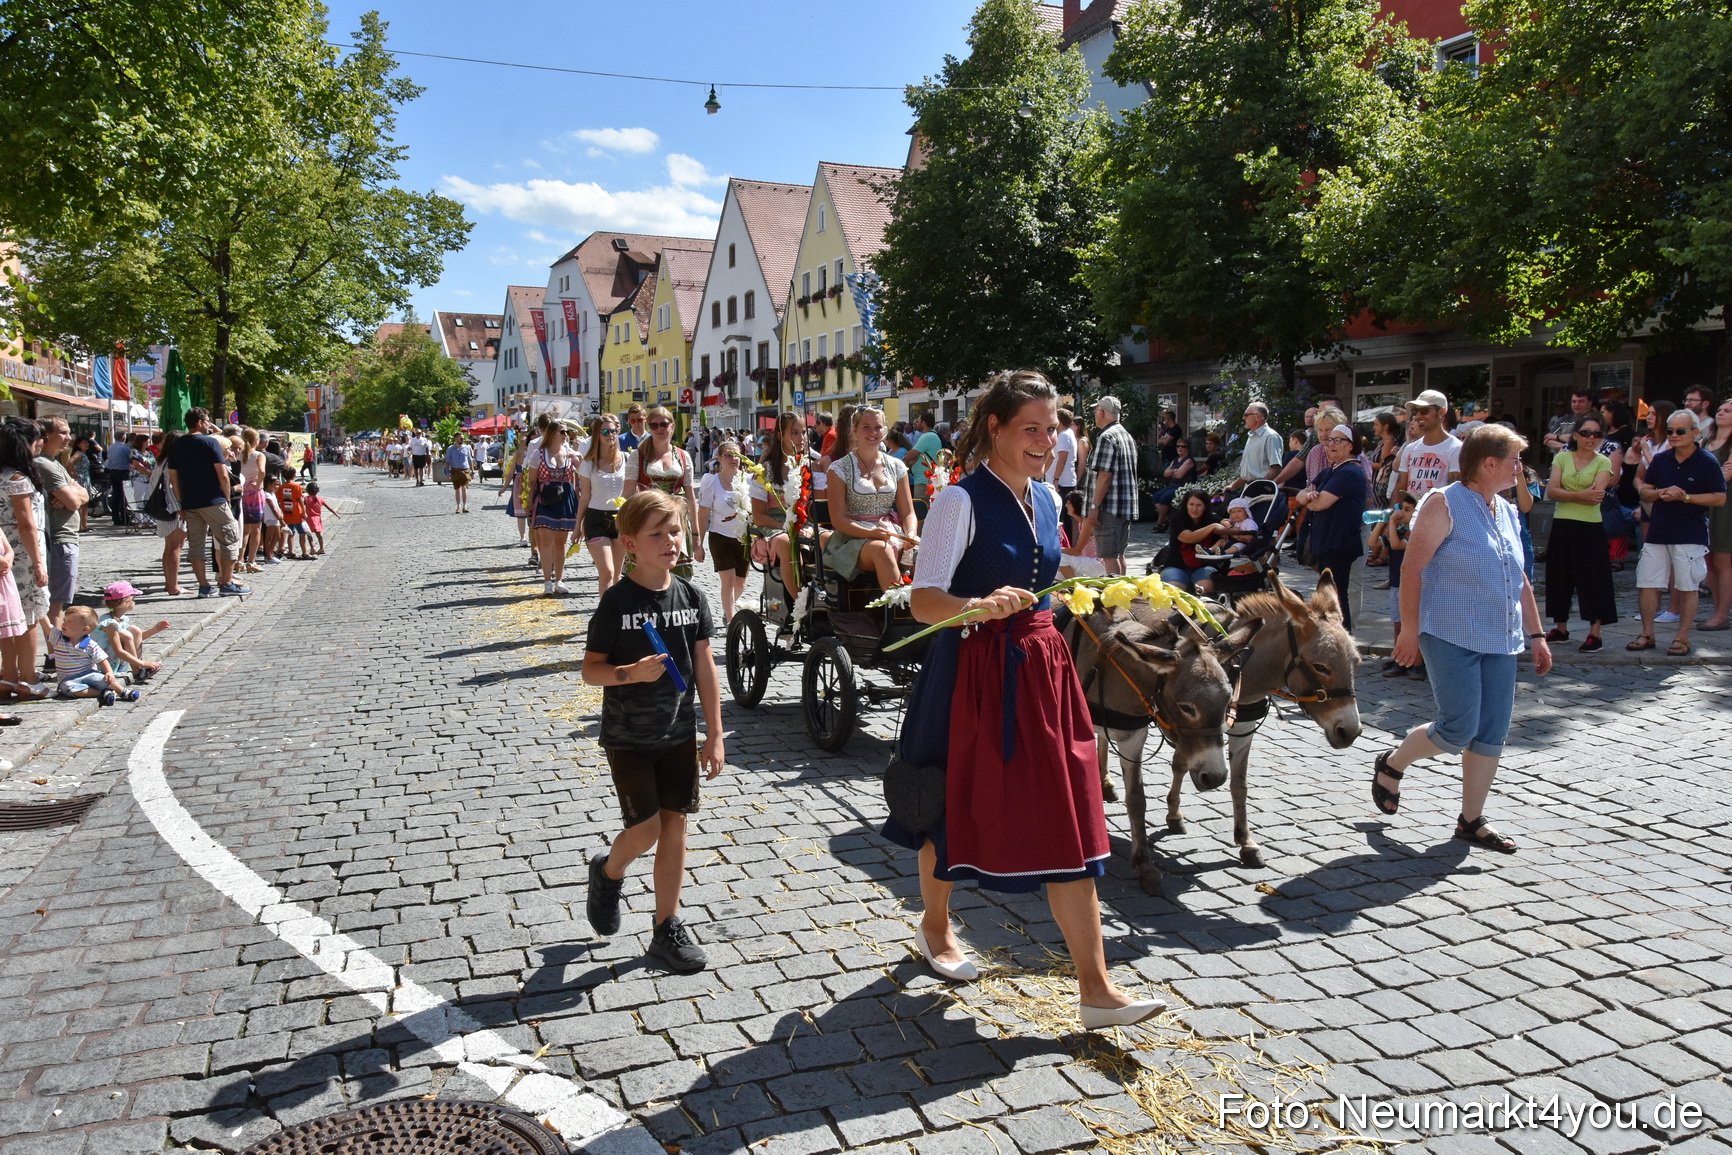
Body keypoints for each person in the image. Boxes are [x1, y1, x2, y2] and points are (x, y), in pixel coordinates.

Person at [883, 370, 1163, 1030]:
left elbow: (1045, 576)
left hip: (1041, 668)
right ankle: (935, 925)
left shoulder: (1045, 498)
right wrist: (975, 606)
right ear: (995, 429)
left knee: (1069, 816)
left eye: (1053, 426)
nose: (1045, 439)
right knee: (951, 803)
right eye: (1030, 428)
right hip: (973, 670)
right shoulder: (960, 501)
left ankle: (1095, 989)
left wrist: (1085, 591)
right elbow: (925, 600)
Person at [1372, 425, 1553, 854]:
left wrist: (1538, 634)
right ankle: (1393, 762)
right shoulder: (1443, 503)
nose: (1520, 468)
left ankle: (1471, 820)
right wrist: (1410, 631)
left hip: (1501, 636)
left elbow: (1519, 577)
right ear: (1489, 464)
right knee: (1458, 728)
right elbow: (1411, 571)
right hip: (1449, 632)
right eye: (1515, 460)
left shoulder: (1506, 510)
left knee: (1491, 731)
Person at [580, 489, 725, 975]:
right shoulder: (617, 602)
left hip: (679, 733)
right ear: (630, 544)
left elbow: (705, 666)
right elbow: (591, 670)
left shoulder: (692, 596)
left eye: (676, 531)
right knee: (645, 829)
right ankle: (608, 871)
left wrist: (716, 733)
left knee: (675, 826)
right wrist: (629, 674)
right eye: (657, 533)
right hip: (629, 737)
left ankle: (666, 927)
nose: (670, 541)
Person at [1630, 412, 1727, 655]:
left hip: (1690, 533)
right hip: (1658, 531)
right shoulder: (1661, 460)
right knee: (1647, 583)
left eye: (1680, 431)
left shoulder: (1707, 461)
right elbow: (1645, 492)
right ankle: (1647, 633)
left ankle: (1682, 637)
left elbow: (1719, 497)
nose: (1673, 435)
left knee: (1687, 586)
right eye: (1671, 431)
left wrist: (1685, 497)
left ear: (1695, 433)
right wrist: (1661, 492)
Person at [821, 407, 919, 593]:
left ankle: (928, 610)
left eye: (878, 427)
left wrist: (911, 534)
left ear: (885, 431)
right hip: (852, 537)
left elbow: (907, 512)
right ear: (854, 430)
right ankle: (898, 606)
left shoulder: (897, 466)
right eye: (866, 427)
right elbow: (838, 519)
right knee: (882, 550)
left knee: (926, 552)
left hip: (891, 532)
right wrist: (871, 533)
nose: (873, 432)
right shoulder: (839, 468)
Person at [1543, 415, 1618, 652]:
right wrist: (1578, 495)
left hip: (1590, 526)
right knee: (1559, 575)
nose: (1591, 438)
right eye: (1586, 433)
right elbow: (1552, 490)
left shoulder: (1603, 462)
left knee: (1594, 579)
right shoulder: (1563, 457)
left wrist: (1567, 493)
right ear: (1575, 435)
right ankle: (1560, 627)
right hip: (1562, 523)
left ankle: (1595, 633)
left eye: (1596, 434)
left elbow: (1596, 494)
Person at [167, 407, 248, 599]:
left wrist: (181, 503)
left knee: (196, 544)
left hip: (190, 501)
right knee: (229, 538)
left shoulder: (176, 445)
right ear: (201, 422)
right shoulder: (209, 443)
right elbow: (222, 474)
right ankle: (227, 583)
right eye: (207, 421)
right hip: (213, 499)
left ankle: (204, 586)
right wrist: (227, 498)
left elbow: (173, 478)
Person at [1294, 423, 1368, 630]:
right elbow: (1302, 494)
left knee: (1337, 596)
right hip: (1325, 539)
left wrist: (1309, 499)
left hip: (1339, 541)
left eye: (1338, 440)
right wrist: (1307, 497)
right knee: (1328, 594)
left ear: (1351, 445)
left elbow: (1320, 503)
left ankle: (1343, 638)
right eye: (1329, 440)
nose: (1331, 444)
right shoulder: (1330, 471)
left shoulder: (1351, 471)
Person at [0, 420, 49, 700]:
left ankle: (8, 676)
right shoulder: (18, 479)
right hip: (22, 554)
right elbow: (27, 524)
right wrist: (39, 562)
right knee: (28, 614)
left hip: (2, 551)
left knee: (6, 618)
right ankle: (28, 678)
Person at [624, 407, 704, 573]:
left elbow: (690, 497)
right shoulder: (638, 455)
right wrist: (624, 528)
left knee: (677, 574)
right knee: (648, 574)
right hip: (648, 520)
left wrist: (696, 533)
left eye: (663, 424)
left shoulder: (683, 456)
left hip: (677, 520)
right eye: (654, 425)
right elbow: (627, 494)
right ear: (649, 428)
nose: (659, 429)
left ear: (672, 426)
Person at [33, 417, 88, 639]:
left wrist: (74, 493)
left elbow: (83, 494)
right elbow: (75, 502)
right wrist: (74, 495)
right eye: (63, 433)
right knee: (55, 604)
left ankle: (56, 654)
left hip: (65, 538)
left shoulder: (54, 462)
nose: (69, 438)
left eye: (69, 432)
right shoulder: (43, 464)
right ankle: (56, 656)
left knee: (58, 602)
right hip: (58, 539)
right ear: (46, 436)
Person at [1079, 396, 1139, 575]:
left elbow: (1104, 475)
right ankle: (1123, 596)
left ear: (1101, 412)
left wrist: (1094, 507)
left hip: (1108, 507)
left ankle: (1115, 598)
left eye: (1095, 411)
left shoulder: (1107, 437)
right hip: (1124, 506)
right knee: (1119, 555)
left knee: (1109, 557)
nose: (1095, 415)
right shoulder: (1125, 435)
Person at [575, 414, 628, 598]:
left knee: (617, 574)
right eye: (605, 431)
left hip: (621, 520)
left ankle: (617, 617)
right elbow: (585, 497)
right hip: (595, 519)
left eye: (613, 431)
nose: (610, 435)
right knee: (607, 572)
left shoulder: (627, 459)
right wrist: (577, 527)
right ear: (597, 434)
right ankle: (605, 619)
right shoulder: (588, 463)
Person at [697, 440, 750, 621]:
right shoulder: (711, 481)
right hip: (720, 536)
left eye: (736, 455)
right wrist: (698, 544)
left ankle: (730, 606)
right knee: (728, 581)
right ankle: (731, 618)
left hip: (743, 538)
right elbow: (703, 514)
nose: (733, 459)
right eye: (728, 455)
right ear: (719, 458)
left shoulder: (748, 479)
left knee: (741, 583)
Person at [528, 420, 580, 596]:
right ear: (552, 434)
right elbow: (532, 481)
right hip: (545, 498)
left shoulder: (569, 452)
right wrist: (528, 502)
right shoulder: (538, 454)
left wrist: (578, 455)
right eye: (562, 432)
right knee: (546, 541)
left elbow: (581, 468)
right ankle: (547, 582)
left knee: (560, 542)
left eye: (567, 432)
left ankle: (559, 580)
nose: (566, 435)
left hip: (564, 498)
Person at [50, 606, 139, 706]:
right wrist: (38, 611)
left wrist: (109, 672)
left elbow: (102, 660)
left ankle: (123, 691)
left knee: (104, 680)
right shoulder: (58, 637)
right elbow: (46, 626)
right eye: (64, 620)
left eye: (69, 622)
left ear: (84, 629)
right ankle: (102, 693)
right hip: (68, 679)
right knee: (68, 688)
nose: (64, 624)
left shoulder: (90, 645)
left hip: (89, 673)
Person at [93, 581, 168, 682]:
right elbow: (118, 650)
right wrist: (142, 663)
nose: (134, 602)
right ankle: (138, 670)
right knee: (126, 634)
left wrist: (154, 630)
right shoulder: (109, 623)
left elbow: (135, 638)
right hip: (104, 663)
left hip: (115, 658)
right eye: (133, 599)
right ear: (125, 602)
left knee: (134, 630)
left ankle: (138, 668)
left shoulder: (122, 619)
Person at [1394, 389, 1462, 499]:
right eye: (1415, 411)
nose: (1418, 416)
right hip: (1413, 515)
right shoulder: (1410, 449)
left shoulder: (1456, 449)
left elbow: (1455, 494)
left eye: (1424, 410)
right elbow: (1400, 488)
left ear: (1441, 412)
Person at [1380, 491, 1420, 677]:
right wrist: (1385, 520)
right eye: (1401, 509)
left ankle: (1417, 664)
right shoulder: (1398, 529)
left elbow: (1396, 545)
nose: (1401, 513)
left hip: (1410, 584)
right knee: (1398, 626)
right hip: (1396, 584)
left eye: (1407, 510)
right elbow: (1374, 541)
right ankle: (1400, 660)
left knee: (1412, 626)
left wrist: (1392, 522)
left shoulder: (1416, 533)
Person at [1152, 491, 1220, 594]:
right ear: (1186, 505)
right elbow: (1189, 538)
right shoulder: (1177, 518)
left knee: (1205, 588)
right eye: (1191, 504)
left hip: (1203, 567)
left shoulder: (1213, 518)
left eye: (1199, 505)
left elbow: (1226, 528)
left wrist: (1225, 523)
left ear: (1205, 507)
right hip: (1176, 566)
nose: (1194, 509)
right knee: (1174, 591)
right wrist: (1213, 526)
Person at [1701, 400, 1732, 632]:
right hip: (1705, 504)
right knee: (1708, 558)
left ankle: (1722, 614)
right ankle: (1715, 611)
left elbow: (1725, 476)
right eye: (1720, 409)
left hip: (1724, 506)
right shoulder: (1706, 441)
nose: (1721, 413)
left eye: (1728, 411)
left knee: (1723, 559)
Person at [147, 431, 187, 594]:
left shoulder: (162, 460)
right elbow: (171, 487)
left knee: (170, 547)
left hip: (165, 508)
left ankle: (170, 583)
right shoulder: (172, 461)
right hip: (172, 509)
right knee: (175, 547)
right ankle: (173, 585)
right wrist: (179, 508)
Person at [1149, 441, 1197, 531]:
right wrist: (1175, 471)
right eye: (1178, 446)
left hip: (1183, 486)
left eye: (1183, 446)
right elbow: (1165, 474)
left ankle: (1159, 522)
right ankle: (1167, 519)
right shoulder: (1175, 460)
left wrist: (1172, 471)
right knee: (1155, 497)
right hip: (1172, 485)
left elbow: (1179, 475)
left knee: (1164, 498)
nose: (1180, 448)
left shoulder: (1189, 460)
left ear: (1188, 449)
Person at [1236, 401, 1284, 486]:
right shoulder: (1251, 436)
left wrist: (1259, 486)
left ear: (1258, 416)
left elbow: (1276, 468)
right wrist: (1232, 486)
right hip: (1248, 490)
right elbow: (1249, 473)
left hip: (1262, 493)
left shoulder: (1270, 437)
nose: (1243, 418)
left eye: (1246, 415)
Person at [909, 411, 942, 518]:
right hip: (924, 480)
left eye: (918, 421)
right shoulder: (932, 435)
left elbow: (910, 454)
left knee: (921, 511)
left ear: (923, 423)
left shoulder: (927, 436)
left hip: (924, 481)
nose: (916, 423)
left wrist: (908, 459)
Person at [1543, 388, 1595, 455]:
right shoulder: (1564, 420)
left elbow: (1583, 440)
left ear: (1590, 403)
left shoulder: (1597, 421)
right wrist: (1568, 448)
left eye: (1581, 401)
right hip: (1563, 463)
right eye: (1574, 402)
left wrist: (1558, 437)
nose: (1576, 404)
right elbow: (1547, 440)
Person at [278, 468, 312, 559]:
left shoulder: (281, 488)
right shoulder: (296, 486)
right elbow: (300, 499)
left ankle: (291, 551)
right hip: (297, 513)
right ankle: (304, 552)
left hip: (287, 513)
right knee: (302, 533)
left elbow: (279, 500)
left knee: (291, 533)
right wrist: (304, 512)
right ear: (294, 476)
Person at [104, 434, 133, 526]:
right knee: (124, 496)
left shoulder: (111, 448)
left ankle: (115, 517)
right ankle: (125, 518)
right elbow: (131, 458)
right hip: (123, 472)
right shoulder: (125, 449)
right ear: (124, 438)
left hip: (113, 472)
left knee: (116, 495)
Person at [303, 481, 338, 555]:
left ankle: (312, 548)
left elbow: (301, 507)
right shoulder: (320, 499)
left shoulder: (306, 499)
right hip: (318, 518)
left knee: (309, 534)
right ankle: (322, 548)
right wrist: (336, 514)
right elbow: (329, 508)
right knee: (319, 535)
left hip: (309, 518)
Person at [446, 432, 474, 513]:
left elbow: (470, 460)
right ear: (456, 438)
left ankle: (465, 506)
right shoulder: (450, 449)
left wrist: (472, 471)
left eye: (463, 438)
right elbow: (447, 461)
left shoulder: (466, 448)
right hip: (455, 470)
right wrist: (448, 472)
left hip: (465, 469)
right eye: (461, 438)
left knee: (464, 488)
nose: (462, 440)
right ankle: (458, 506)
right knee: (457, 488)